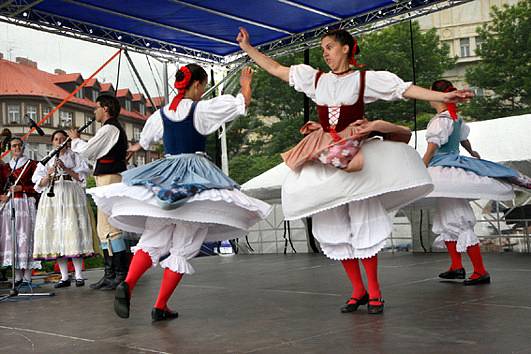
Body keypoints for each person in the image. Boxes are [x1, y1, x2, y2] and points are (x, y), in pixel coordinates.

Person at [237, 27, 473, 314]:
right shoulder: (315, 79)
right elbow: (275, 68)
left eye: (329, 47)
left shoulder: (365, 80)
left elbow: (404, 89)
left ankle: (374, 292)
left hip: (354, 150)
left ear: (346, 48)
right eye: (323, 48)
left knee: (362, 217)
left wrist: (445, 98)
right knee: (332, 221)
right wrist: (248, 48)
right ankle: (358, 290)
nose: (324, 53)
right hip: (324, 151)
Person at [88, 64, 271, 322]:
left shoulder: (161, 114)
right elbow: (243, 103)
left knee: (154, 235)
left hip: (166, 178)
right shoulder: (201, 109)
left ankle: (127, 284)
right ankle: (160, 305)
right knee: (185, 243)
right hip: (195, 176)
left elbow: (145, 141)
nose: (204, 91)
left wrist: (134, 148)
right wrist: (245, 83)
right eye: (203, 86)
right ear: (196, 85)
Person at [422, 79, 529, 285]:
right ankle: (456, 267)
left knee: (457, 217)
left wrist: (419, 168)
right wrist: (471, 152)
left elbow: (432, 148)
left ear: (435, 95)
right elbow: (463, 139)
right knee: (447, 217)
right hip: (450, 168)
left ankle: (480, 270)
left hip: (444, 170)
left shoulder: (441, 120)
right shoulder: (454, 118)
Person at [67, 94, 129, 291]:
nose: (95, 112)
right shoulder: (109, 129)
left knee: (111, 228)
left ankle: (119, 274)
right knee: (104, 229)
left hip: (110, 179)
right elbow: (96, 153)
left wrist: (76, 140)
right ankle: (110, 273)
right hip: (107, 178)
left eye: (97, 108)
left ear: (106, 109)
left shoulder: (110, 128)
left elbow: (89, 151)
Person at [32, 130, 94, 288]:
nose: (59, 142)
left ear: (67, 141)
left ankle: (79, 275)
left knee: (72, 232)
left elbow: (82, 177)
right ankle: (64, 277)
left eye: (62, 139)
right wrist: (49, 173)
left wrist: (65, 169)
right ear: (52, 142)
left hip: (70, 194)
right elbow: (38, 183)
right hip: (52, 198)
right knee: (57, 235)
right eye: (56, 139)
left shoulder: (74, 156)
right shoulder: (46, 159)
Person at [0, 137, 40, 286]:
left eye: (19, 145)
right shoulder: (5, 168)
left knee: (26, 237)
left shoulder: (31, 164)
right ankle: (17, 277)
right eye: (13, 146)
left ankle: (27, 276)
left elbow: (37, 187)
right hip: (10, 206)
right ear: (10, 148)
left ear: (23, 147)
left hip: (25, 204)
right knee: (13, 239)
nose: (16, 148)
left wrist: (22, 188)